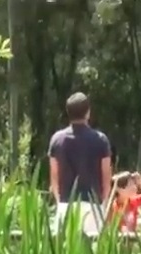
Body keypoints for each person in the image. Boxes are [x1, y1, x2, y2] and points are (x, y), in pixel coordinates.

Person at [48, 92, 112, 237]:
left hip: (66, 204)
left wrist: (59, 202)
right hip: (93, 205)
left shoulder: (56, 140)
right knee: (92, 251)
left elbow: (54, 178)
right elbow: (106, 179)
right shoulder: (101, 140)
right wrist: (103, 204)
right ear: (88, 112)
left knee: (64, 250)